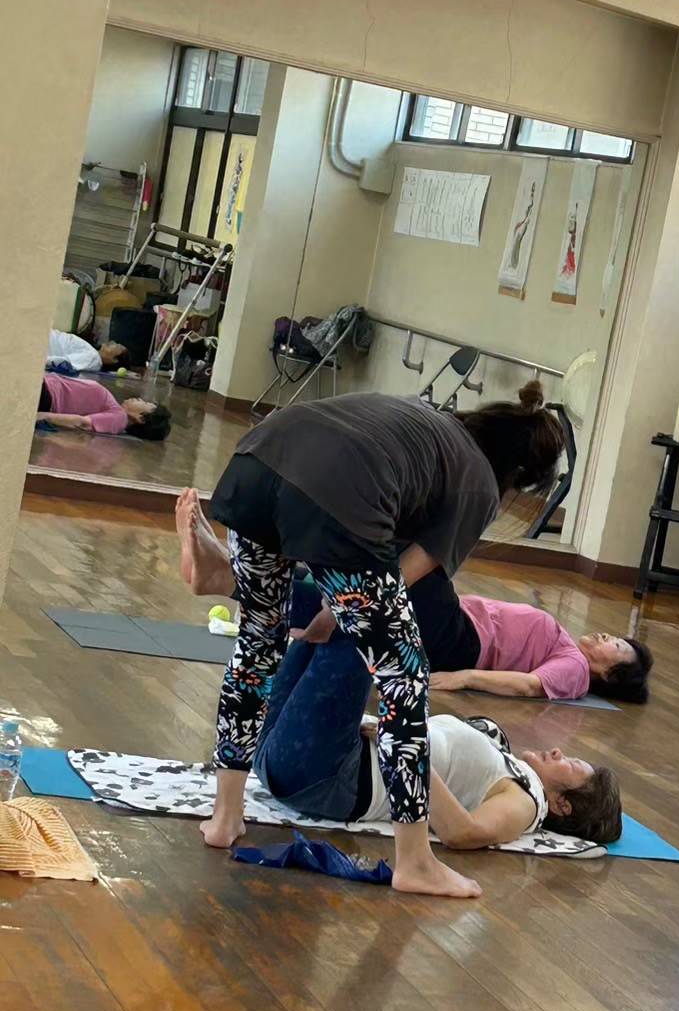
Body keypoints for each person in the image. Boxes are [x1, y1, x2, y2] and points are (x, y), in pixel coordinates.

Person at [200, 383, 564, 901]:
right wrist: (339, 610)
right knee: (404, 677)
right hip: (338, 491)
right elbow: (404, 573)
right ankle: (415, 862)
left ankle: (224, 816)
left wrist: (334, 608)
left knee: (258, 643)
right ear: (518, 475)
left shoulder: (429, 424)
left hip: (259, 455)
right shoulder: (479, 483)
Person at [175, 495, 654, 704]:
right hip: (453, 625)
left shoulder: (574, 670)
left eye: (616, 646)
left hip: (460, 644)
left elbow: (528, 686)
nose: (607, 637)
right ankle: (228, 577)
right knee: (351, 594)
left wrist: (464, 678)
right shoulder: (567, 643)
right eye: (616, 637)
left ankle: (235, 570)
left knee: (413, 559)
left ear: (611, 673)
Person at [252, 632, 622, 848]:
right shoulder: (508, 765)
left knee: (361, 618)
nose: (558, 751)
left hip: (327, 774)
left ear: (561, 805)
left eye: (571, 764)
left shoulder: (527, 803)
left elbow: (463, 833)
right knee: (326, 617)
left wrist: (407, 746)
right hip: (287, 757)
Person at [36, 374, 171, 440]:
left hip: (47, 394)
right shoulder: (116, 410)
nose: (140, 399)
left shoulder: (119, 418)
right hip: (47, 387)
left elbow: (84, 423)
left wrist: (43, 416)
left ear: (140, 418)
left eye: (145, 403)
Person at [46, 328, 127, 372]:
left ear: (114, 360)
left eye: (118, 346)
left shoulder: (94, 358)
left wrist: (40, 361)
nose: (113, 342)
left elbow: (64, 362)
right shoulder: (93, 354)